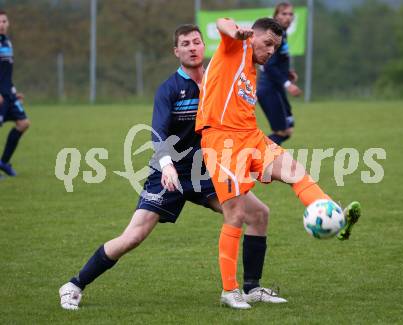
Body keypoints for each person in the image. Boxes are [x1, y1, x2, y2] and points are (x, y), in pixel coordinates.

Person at [59, 24, 286, 311]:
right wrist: (166, 165)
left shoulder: (219, 78)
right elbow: (157, 132)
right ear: (176, 51)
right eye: (185, 43)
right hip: (169, 174)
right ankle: (74, 284)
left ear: (205, 47)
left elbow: (239, 122)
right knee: (133, 236)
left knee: (257, 214)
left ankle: (251, 289)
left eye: (196, 42)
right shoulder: (169, 89)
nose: (192, 47)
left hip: (206, 172)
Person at [195, 17, 361, 309]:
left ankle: (332, 215)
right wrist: (234, 31)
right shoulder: (235, 47)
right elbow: (223, 22)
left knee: (265, 208)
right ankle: (229, 291)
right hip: (223, 141)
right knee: (235, 212)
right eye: (268, 43)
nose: (271, 50)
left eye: (276, 46)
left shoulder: (253, 68)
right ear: (253, 36)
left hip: (251, 137)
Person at [257, 2, 301, 145]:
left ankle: (256, 158)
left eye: (290, 14)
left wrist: (287, 73)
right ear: (276, 15)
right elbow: (269, 66)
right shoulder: (275, 35)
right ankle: (251, 156)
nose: (288, 17)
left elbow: (275, 62)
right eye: (284, 14)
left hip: (276, 87)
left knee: (287, 130)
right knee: (282, 131)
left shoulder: (283, 34)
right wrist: (288, 84)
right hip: (269, 88)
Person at [0, 9, 30, 177]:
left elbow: (5, 73)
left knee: (23, 123)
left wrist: (13, 91)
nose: (2, 24)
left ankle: (3, 162)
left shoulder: (7, 43)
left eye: (4, 21)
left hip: (8, 94)